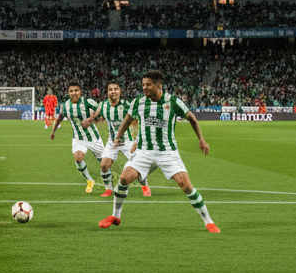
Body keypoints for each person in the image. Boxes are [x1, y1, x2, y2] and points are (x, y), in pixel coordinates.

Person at [102, 71, 220, 233]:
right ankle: (116, 216)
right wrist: (119, 136)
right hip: (144, 152)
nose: (144, 87)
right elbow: (127, 119)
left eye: (148, 84)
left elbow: (191, 117)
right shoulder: (139, 102)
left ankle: (208, 221)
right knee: (124, 178)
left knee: (185, 185)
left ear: (159, 86)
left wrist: (201, 139)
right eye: (143, 84)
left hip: (167, 153)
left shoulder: (172, 102)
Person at [82, 82, 151, 198]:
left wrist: (137, 139)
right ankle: (108, 189)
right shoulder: (103, 105)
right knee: (104, 165)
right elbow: (94, 116)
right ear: (107, 92)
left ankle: (145, 185)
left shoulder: (127, 105)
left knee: (138, 166)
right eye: (110, 89)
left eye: (115, 89)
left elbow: (140, 120)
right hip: (112, 142)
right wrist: (88, 121)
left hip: (127, 141)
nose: (113, 91)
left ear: (120, 92)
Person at [49, 84, 103, 193]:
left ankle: (111, 182)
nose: (73, 93)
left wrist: (91, 119)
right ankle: (90, 180)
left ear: (80, 91)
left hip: (93, 138)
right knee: (78, 158)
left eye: (76, 90)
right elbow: (60, 117)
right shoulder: (66, 106)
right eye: (71, 91)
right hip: (78, 139)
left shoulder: (88, 102)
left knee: (105, 163)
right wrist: (53, 131)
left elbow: (101, 108)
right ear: (68, 93)